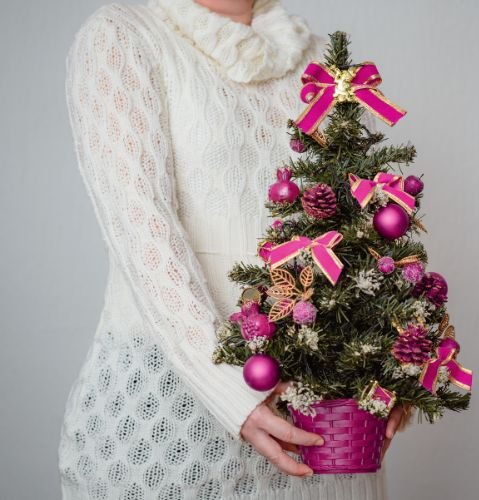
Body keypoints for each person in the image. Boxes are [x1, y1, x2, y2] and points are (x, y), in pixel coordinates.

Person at [57, 0, 407, 498]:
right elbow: (143, 233)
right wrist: (231, 390)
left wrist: (391, 365)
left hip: (323, 428)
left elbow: (361, 230)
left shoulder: (317, 57)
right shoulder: (123, 35)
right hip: (171, 417)